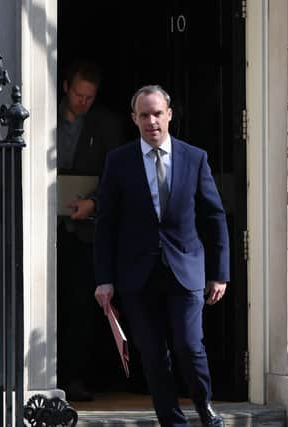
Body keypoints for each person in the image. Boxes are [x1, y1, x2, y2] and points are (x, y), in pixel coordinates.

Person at [93, 85, 229, 427]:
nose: (151, 121)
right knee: (153, 355)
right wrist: (104, 279)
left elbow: (214, 216)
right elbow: (106, 223)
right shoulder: (119, 160)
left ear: (169, 114)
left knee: (188, 345)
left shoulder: (194, 157)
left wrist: (220, 272)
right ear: (134, 119)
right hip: (138, 274)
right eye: (144, 115)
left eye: (157, 113)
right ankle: (172, 421)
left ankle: (205, 407)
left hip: (186, 268)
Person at [57, 59, 123, 401]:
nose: (84, 102)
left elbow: (117, 176)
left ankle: (75, 377)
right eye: (80, 94)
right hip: (47, 228)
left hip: (86, 231)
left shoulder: (106, 125)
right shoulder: (44, 117)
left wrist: (94, 203)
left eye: (90, 97)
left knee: (81, 305)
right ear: (67, 87)